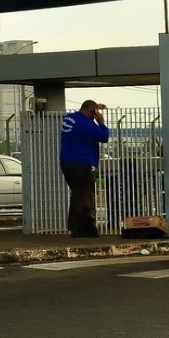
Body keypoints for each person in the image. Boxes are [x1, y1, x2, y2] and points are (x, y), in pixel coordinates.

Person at [60, 99, 110, 237]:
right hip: (83, 163)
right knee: (85, 195)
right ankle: (82, 228)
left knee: (78, 194)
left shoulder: (70, 118)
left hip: (67, 162)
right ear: (91, 111)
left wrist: (94, 109)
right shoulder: (86, 124)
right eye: (95, 111)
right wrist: (100, 122)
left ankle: (79, 227)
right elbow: (104, 136)